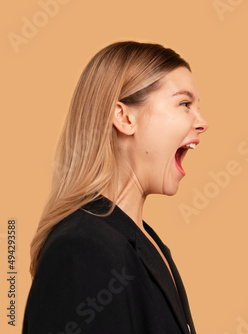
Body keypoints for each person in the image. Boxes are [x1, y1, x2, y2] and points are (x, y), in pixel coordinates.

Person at [23, 41, 208, 334]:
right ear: (124, 117)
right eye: (184, 104)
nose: (202, 122)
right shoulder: (82, 250)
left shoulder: (149, 244)